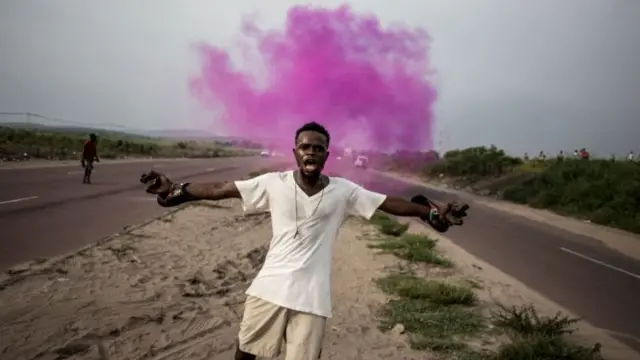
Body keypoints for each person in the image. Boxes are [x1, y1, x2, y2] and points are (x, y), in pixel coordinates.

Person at [139, 122, 468, 360]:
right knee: (247, 351)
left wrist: (429, 213)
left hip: (312, 296)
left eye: (318, 147)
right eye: (305, 146)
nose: (311, 151)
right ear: (295, 151)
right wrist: (174, 192)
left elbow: (387, 203)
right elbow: (220, 189)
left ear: (327, 153)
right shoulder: (273, 183)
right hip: (269, 288)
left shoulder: (344, 191)